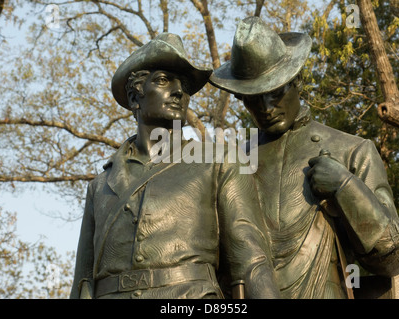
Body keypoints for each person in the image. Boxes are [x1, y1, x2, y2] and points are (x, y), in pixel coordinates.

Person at [209, 16, 399, 299]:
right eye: (253, 98)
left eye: (275, 92)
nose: (266, 107)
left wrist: (346, 188)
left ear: (297, 81)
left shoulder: (352, 150)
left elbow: (395, 258)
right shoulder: (231, 163)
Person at [70, 32, 281, 299]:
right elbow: (83, 283)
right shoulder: (100, 186)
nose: (179, 91)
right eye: (162, 80)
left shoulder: (219, 161)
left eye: (182, 85)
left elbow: (252, 264)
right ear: (136, 98)